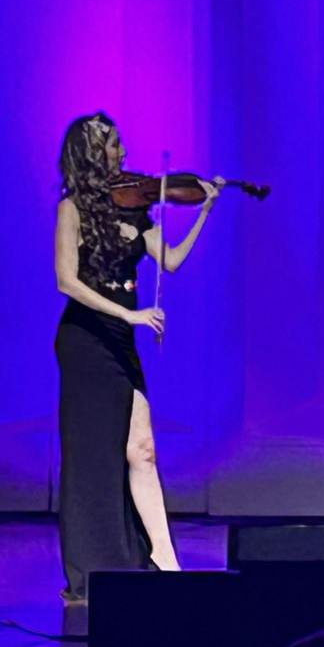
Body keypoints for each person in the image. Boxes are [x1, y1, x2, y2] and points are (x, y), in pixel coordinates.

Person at [53, 112, 223, 602]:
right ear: (90, 154)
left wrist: (204, 214)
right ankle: (89, 568)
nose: (122, 154)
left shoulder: (132, 210)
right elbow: (67, 281)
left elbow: (168, 260)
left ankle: (166, 562)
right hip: (86, 341)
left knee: (142, 450)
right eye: (111, 146)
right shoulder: (72, 209)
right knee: (91, 458)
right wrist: (127, 316)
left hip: (121, 340)